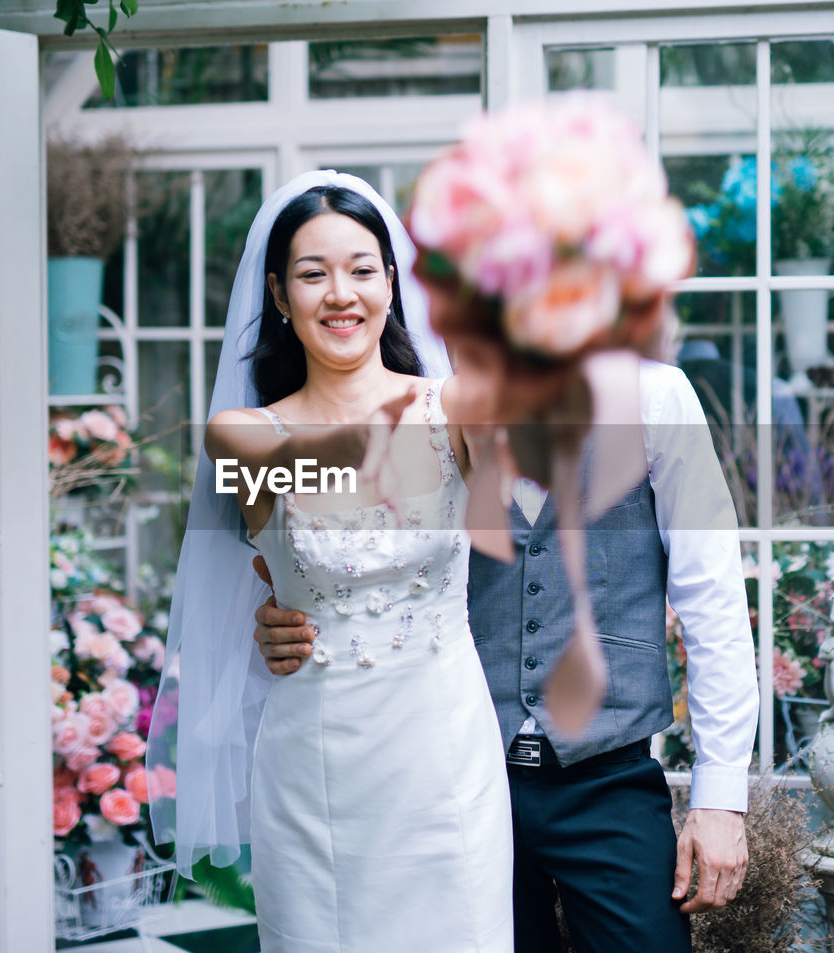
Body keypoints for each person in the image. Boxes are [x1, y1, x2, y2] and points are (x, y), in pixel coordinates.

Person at [255, 352, 760, 953]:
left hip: (607, 777)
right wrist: (288, 614)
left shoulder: (653, 395)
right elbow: (341, 554)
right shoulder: (429, 409)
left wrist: (721, 797)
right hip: (458, 777)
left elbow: (714, 601)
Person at [146, 170, 514, 953]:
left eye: (361, 269)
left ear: (393, 283)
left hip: (443, 752)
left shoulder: (457, 406)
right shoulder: (242, 434)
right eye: (314, 273)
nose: (340, 294)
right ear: (279, 295)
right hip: (311, 763)